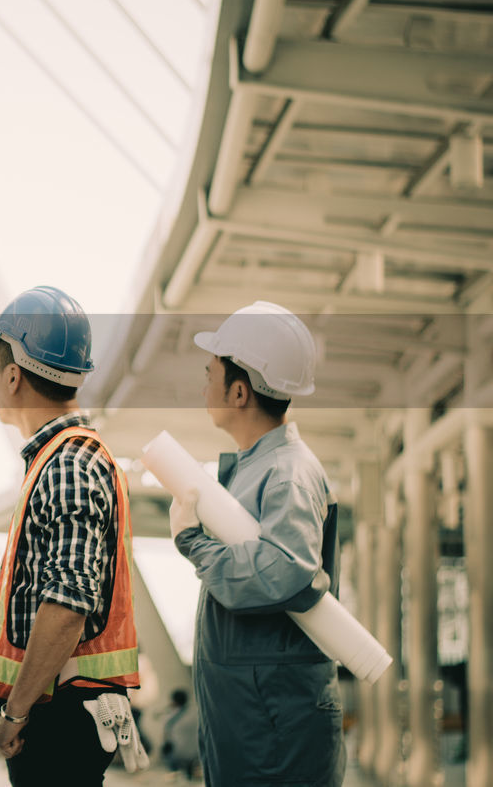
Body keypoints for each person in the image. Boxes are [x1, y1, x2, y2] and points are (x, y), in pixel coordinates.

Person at [0, 286, 147, 785]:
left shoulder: (67, 464)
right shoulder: (64, 460)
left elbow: (68, 603)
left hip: (58, 716)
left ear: (12, 376)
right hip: (61, 709)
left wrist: (17, 714)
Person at [170, 300, 345, 786]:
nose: (204, 385)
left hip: (274, 721)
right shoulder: (258, 470)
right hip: (259, 716)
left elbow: (282, 571)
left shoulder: (287, 474)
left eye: (211, 373)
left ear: (239, 391)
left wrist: (194, 543)